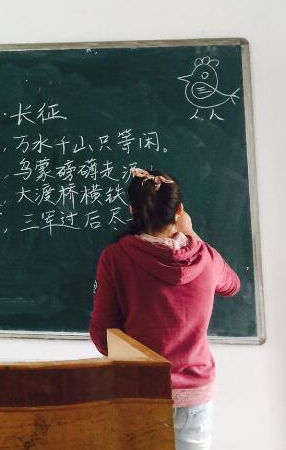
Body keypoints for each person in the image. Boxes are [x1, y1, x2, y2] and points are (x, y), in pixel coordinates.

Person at [89, 167, 239, 450]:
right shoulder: (205, 257)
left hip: (139, 389)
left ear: (133, 210)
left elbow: (102, 334)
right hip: (195, 392)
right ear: (179, 211)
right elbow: (232, 285)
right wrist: (192, 235)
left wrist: (131, 362)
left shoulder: (117, 256)